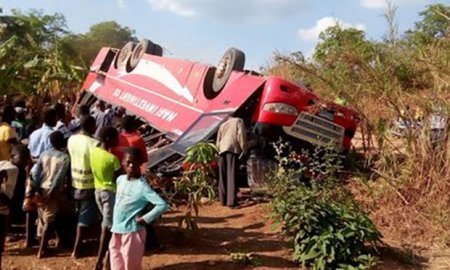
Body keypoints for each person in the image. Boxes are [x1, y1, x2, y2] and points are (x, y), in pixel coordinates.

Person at [109, 148, 168, 270]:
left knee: (130, 265)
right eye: (128, 162)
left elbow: (162, 205)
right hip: (117, 230)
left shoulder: (142, 187)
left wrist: (145, 219)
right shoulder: (120, 180)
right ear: (123, 162)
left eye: (134, 163)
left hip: (132, 232)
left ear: (140, 164)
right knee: (116, 263)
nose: (130, 166)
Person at [31, 131, 70, 258]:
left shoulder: (43, 155)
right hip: (53, 190)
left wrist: (36, 189)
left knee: (43, 216)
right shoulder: (64, 157)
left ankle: (46, 244)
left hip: (42, 188)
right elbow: (59, 177)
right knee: (49, 219)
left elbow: (36, 173)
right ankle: (42, 250)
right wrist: (52, 191)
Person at [67, 115, 99, 258]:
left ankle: (79, 243)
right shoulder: (94, 143)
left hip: (75, 182)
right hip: (89, 184)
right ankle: (77, 249)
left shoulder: (71, 139)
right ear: (92, 126)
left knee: (79, 213)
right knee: (84, 217)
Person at [90, 126, 122, 270]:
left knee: (108, 225)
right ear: (109, 139)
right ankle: (99, 261)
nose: (118, 140)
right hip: (110, 194)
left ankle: (107, 260)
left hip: (98, 191)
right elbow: (119, 177)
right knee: (107, 228)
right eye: (116, 137)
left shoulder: (94, 152)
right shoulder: (112, 159)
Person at [0, 144, 31, 269]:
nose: (25, 162)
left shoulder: (3, 162)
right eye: (23, 158)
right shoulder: (13, 169)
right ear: (13, 157)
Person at [216, 117, 247, 207]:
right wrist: (244, 149)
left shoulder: (223, 124)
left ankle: (223, 200)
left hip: (221, 150)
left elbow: (218, 140)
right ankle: (231, 202)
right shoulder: (239, 121)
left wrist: (218, 151)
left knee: (223, 176)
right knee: (231, 175)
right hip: (232, 149)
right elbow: (241, 135)